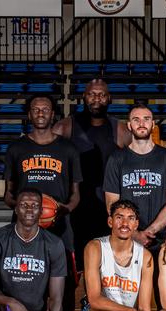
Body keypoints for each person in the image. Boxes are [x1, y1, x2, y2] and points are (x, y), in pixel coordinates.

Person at [4, 95, 82, 311]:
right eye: (35, 109)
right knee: (23, 291)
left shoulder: (68, 149)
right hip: (23, 234)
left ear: (53, 114)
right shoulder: (16, 148)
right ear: (29, 113)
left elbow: (76, 196)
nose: (40, 113)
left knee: (62, 297)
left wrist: (59, 211)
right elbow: (8, 194)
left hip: (61, 232)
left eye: (45, 109)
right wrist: (27, 212)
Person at [103, 102, 166, 306]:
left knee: (164, 300)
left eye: (146, 119)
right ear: (129, 126)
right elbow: (112, 205)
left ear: (153, 124)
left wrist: (149, 232)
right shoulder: (117, 159)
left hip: (161, 241)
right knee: (126, 301)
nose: (141, 123)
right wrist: (134, 234)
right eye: (136, 119)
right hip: (126, 241)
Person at [53, 78, 132, 271]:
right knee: (75, 261)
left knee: (106, 261)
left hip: (107, 205)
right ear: (83, 97)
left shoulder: (119, 129)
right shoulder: (66, 126)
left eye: (101, 94)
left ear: (109, 98)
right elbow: (48, 154)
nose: (96, 98)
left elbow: (135, 165)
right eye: (91, 94)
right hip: (75, 206)